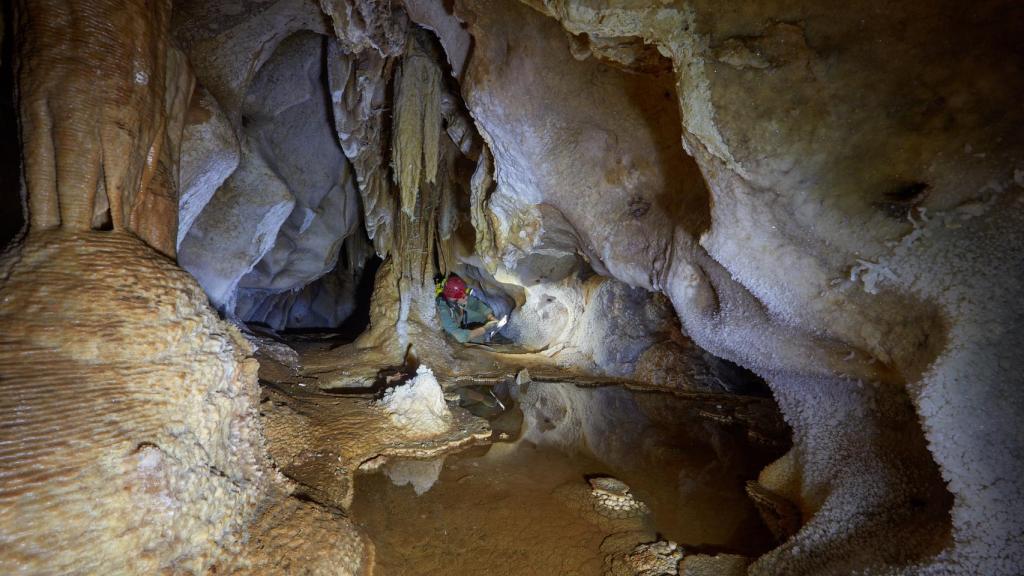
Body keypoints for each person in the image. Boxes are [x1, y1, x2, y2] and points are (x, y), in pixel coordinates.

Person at [436, 274, 501, 344]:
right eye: (463, 296)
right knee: (478, 339)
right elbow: (458, 337)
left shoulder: (453, 299)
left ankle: (487, 332)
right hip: (448, 337)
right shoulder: (443, 312)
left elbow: (475, 304)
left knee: (483, 318)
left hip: (459, 316)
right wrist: (484, 329)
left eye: (465, 294)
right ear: (455, 298)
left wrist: (490, 316)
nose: (466, 297)